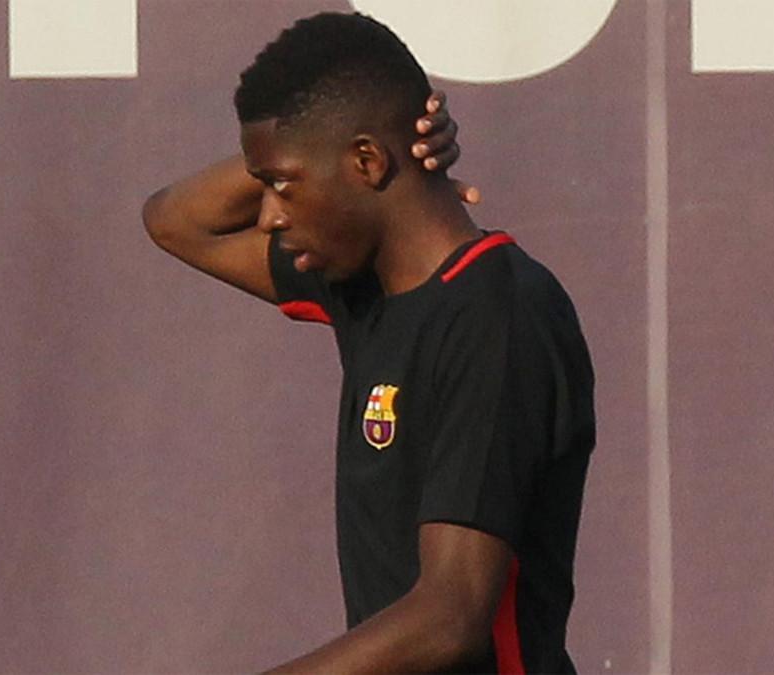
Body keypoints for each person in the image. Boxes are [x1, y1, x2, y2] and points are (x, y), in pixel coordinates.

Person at [142, 11, 595, 674]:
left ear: (365, 161)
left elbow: (451, 614)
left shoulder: (500, 316)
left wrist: (351, 131)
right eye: (263, 185)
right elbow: (176, 221)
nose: (268, 214)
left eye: (282, 185)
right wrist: (306, 145)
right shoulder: (362, 287)